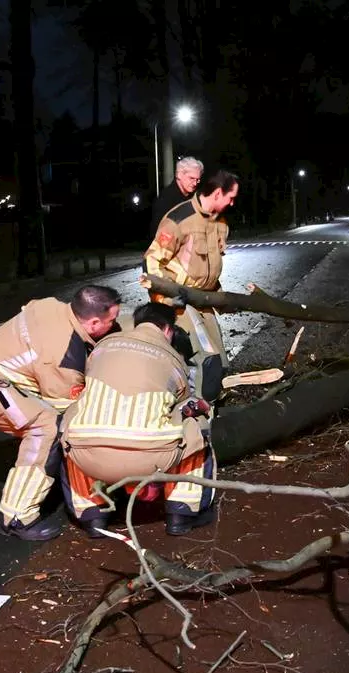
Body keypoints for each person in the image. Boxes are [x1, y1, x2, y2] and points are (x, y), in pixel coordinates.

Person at [0, 285, 122, 541]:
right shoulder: (64, 356)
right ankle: (17, 517)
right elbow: (68, 412)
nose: (115, 325)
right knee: (47, 429)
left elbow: (29, 310)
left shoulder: (53, 306)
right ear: (94, 322)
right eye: (112, 321)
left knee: (48, 423)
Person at [60, 302, 218, 537]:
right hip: (153, 456)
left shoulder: (102, 348)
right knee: (197, 422)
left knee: (75, 424)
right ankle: (182, 511)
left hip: (88, 456)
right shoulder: (171, 357)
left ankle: (93, 515)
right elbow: (184, 401)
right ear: (167, 330)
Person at [142, 169, 239, 401]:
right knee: (206, 359)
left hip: (204, 299)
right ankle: (198, 414)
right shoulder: (180, 219)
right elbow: (152, 262)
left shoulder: (220, 223)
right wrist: (165, 302)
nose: (233, 203)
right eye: (230, 197)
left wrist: (222, 298)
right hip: (181, 303)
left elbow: (209, 267)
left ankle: (216, 404)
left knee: (221, 361)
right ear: (217, 193)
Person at [149, 156, 204, 238]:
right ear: (179, 175)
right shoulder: (165, 199)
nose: (195, 183)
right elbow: (157, 233)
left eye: (197, 180)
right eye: (191, 178)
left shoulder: (195, 197)